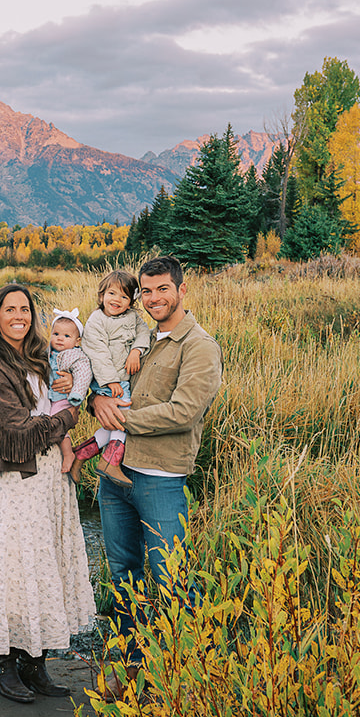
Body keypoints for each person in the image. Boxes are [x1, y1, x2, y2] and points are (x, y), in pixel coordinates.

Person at [88, 256, 222, 690]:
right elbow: (98, 378)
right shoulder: (134, 333)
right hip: (115, 478)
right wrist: (95, 402)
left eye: (163, 288)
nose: (154, 298)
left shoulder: (199, 346)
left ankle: (183, 674)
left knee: (170, 578)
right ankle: (130, 665)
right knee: (123, 573)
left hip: (161, 479)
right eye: (146, 291)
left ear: (182, 290)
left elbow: (184, 412)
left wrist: (120, 420)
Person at [0, 283, 97, 703]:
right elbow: (18, 431)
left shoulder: (42, 357)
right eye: (10, 310)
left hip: (53, 481)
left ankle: (35, 663)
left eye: (25, 309)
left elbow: (70, 389)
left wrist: (78, 397)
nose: (19, 316)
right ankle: (3, 667)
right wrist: (68, 421)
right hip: (22, 480)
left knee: (46, 564)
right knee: (17, 565)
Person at [78, 270, 152, 485]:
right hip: (109, 383)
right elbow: (96, 353)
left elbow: (143, 333)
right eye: (112, 293)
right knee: (123, 421)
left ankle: (81, 454)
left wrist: (136, 351)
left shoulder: (134, 318)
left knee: (112, 426)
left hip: (121, 380)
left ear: (131, 301)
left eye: (124, 296)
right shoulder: (96, 321)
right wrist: (111, 381)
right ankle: (111, 462)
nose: (116, 300)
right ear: (102, 296)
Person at [46, 309, 95, 478]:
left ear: (76, 341)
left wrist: (77, 394)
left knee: (56, 422)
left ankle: (68, 454)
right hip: (53, 397)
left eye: (67, 336)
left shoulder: (74, 355)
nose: (60, 338)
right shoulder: (50, 352)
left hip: (66, 398)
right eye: (56, 334)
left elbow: (83, 374)